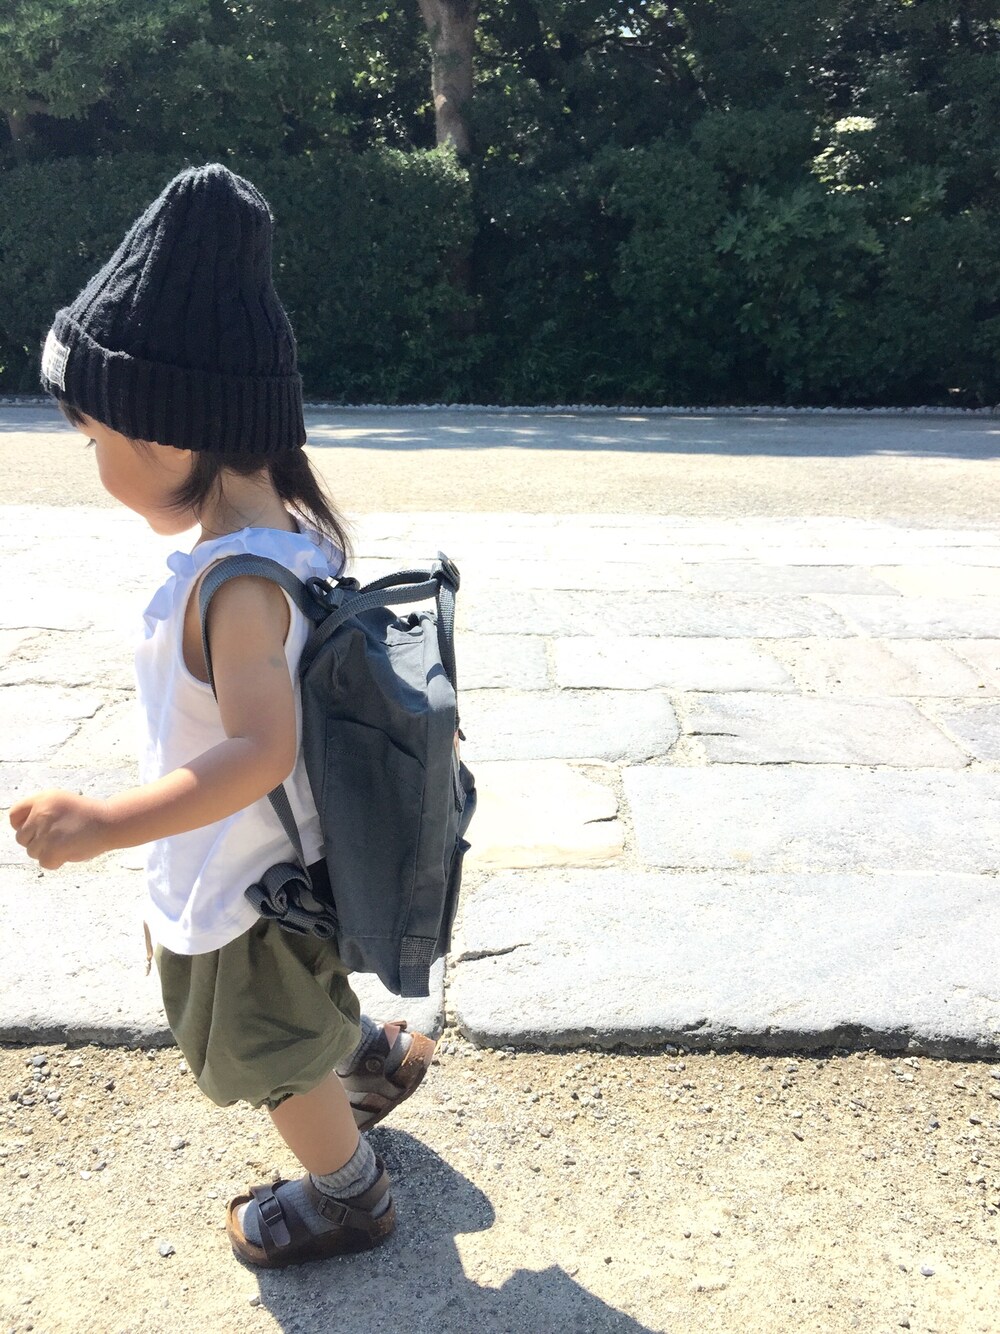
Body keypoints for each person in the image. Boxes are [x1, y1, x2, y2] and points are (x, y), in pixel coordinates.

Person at [8, 163, 436, 1269]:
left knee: (269, 1049)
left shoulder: (237, 587)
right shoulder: (292, 536)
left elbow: (259, 747)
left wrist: (104, 823)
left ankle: (349, 1194)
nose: (94, 459)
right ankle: (377, 1058)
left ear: (165, 434)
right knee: (298, 991)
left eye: (94, 438)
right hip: (288, 865)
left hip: (244, 881)